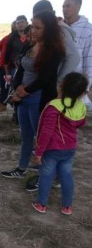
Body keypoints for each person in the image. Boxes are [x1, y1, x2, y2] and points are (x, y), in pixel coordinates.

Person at [0, 10, 66, 180]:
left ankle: (51, 175)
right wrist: (17, 88)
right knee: (26, 135)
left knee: (44, 138)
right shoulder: (30, 45)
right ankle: (21, 168)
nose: (33, 30)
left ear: (49, 28)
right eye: (32, 26)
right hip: (23, 99)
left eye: (38, 27)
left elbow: (46, 78)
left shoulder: (54, 50)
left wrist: (24, 91)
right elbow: (20, 69)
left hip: (39, 99)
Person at [31, 72, 88, 215]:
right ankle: (67, 206)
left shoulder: (54, 106)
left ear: (61, 86)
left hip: (52, 150)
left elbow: (46, 132)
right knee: (66, 176)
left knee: (46, 175)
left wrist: (39, 152)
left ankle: (41, 204)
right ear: (82, 92)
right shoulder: (80, 106)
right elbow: (81, 123)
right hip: (70, 148)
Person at [32, 0, 80, 81]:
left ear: (53, 13)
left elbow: (74, 57)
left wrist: (58, 82)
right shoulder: (44, 30)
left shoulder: (60, 29)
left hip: (52, 84)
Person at [62, 0, 92, 92]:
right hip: (57, 80)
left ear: (78, 6)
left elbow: (89, 60)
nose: (64, 9)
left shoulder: (88, 29)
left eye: (68, 6)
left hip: (76, 84)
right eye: (63, 6)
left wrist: (86, 87)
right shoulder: (59, 27)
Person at [0, 21, 16, 111]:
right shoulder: (6, 38)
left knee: (15, 88)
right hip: (3, 67)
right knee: (4, 87)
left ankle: (15, 110)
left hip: (15, 68)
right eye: (15, 26)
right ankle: (2, 104)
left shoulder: (25, 39)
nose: (16, 28)